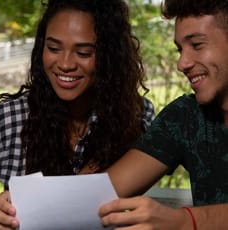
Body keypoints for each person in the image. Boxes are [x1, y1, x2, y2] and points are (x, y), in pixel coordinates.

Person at [0, 0, 154, 228]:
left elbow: (79, 200)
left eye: (84, 53)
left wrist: (14, 208)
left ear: (111, 57)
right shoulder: (9, 117)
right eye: (53, 48)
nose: (65, 64)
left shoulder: (132, 117)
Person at [97, 0, 228, 229]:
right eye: (180, 49)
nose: (182, 63)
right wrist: (20, 209)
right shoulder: (185, 117)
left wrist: (184, 221)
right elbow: (101, 192)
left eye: (196, 45)